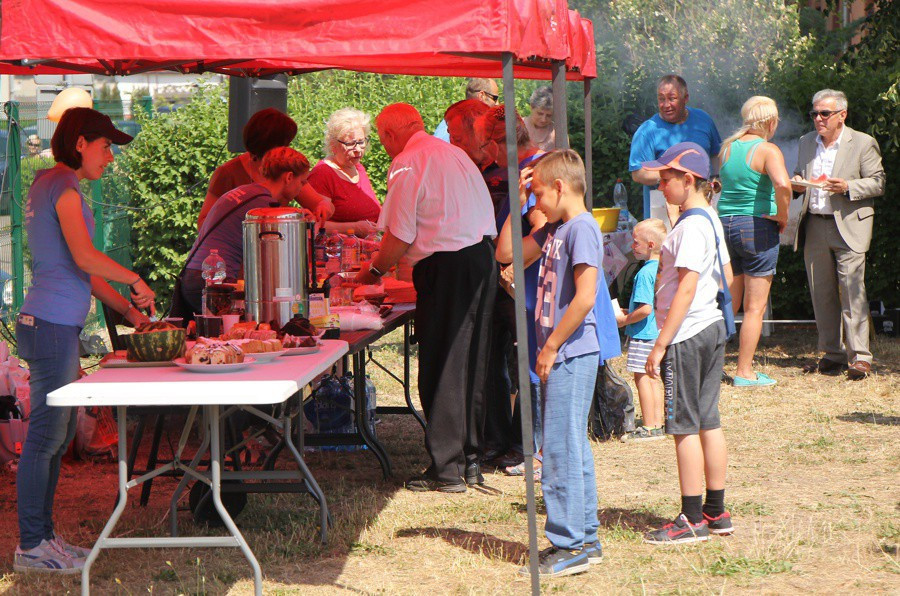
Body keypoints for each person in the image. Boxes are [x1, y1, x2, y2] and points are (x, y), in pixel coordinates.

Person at [14, 107, 155, 574]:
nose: (110, 157)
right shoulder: (65, 189)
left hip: (50, 322)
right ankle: (33, 545)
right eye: (105, 146)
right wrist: (135, 279)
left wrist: (130, 310)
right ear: (81, 143)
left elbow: (81, 271)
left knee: (52, 439)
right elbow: (85, 256)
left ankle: (45, 538)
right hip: (51, 325)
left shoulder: (49, 184)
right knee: (46, 438)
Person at [354, 103, 497, 493]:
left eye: (379, 139)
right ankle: (469, 460)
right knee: (470, 363)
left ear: (389, 135)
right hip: (480, 257)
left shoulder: (407, 161)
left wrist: (372, 273)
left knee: (444, 364)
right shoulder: (452, 153)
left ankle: (447, 469)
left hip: (449, 266)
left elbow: (398, 234)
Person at [495, 150, 604, 577]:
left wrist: (551, 346)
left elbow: (586, 296)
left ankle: (567, 544)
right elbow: (506, 253)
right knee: (570, 444)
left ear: (560, 187)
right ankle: (586, 537)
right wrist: (518, 197)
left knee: (557, 448)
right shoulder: (556, 228)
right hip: (561, 351)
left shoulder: (581, 228)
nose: (535, 204)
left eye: (539, 193)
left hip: (570, 352)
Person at [641, 142, 734, 545]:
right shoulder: (708, 219)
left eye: (666, 179)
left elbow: (686, 288)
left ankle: (692, 517)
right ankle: (716, 509)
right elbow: (726, 277)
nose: (661, 186)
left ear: (688, 180)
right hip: (709, 327)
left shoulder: (692, 226)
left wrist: (661, 343)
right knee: (707, 421)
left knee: (684, 427)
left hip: (686, 335)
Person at [791, 89, 885, 380]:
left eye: (824, 113)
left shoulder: (863, 142)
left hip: (849, 223)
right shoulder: (807, 142)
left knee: (852, 291)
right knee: (822, 294)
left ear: (842, 115)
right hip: (815, 224)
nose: (818, 119)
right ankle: (832, 353)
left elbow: (878, 182)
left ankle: (860, 358)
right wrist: (796, 182)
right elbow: (799, 176)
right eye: (814, 113)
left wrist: (847, 186)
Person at [475, 105, 547, 474]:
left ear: (501, 142)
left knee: (527, 365)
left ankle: (526, 446)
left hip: (525, 283)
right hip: (508, 278)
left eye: (488, 144)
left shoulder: (537, 169)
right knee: (502, 363)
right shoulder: (513, 169)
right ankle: (505, 441)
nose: (485, 152)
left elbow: (544, 228)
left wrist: (519, 268)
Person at [175, 147, 311, 315]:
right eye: (302, 182)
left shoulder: (244, 191)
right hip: (215, 283)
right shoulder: (263, 208)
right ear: (289, 177)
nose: (301, 188)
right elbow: (276, 260)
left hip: (192, 276)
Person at [717, 96, 792, 387]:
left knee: (728, 302)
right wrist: (782, 215)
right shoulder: (767, 149)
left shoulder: (727, 148)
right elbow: (783, 184)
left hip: (725, 224)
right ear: (770, 122)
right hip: (756, 225)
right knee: (754, 307)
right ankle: (745, 372)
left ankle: (711, 364)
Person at [197, 108, 332, 229]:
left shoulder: (285, 168)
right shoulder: (228, 173)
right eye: (286, 144)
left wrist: (323, 207)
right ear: (272, 145)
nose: (288, 148)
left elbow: (322, 204)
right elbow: (203, 223)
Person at [629, 75, 722, 219]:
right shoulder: (647, 131)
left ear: (685, 98)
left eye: (672, 98)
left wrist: (716, 180)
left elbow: (715, 157)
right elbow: (638, 173)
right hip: (663, 206)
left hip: (703, 201)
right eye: (661, 99)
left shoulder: (703, 120)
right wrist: (672, 176)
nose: (666, 105)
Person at [615, 218, 666, 442]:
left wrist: (624, 319)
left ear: (651, 245)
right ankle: (658, 423)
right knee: (653, 377)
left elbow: (645, 309)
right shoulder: (660, 268)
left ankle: (648, 426)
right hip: (655, 332)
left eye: (636, 243)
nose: (632, 247)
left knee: (642, 378)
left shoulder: (645, 272)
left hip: (643, 334)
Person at [306, 107, 380, 236]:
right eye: (350, 144)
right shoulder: (322, 174)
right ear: (333, 145)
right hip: (338, 251)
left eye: (361, 142)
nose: (358, 149)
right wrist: (355, 228)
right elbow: (314, 224)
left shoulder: (358, 168)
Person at [433, 78, 499, 142]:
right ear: (481, 96)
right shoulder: (467, 125)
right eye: (495, 98)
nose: (497, 103)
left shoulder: (448, 121)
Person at [524, 86, 556, 152]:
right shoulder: (518, 127)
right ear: (531, 107)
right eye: (540, 113)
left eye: (549, 115)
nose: (543, 119)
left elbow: (565, 159)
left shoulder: (557, 132)